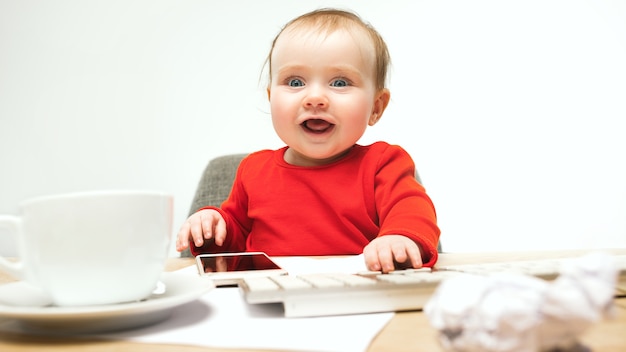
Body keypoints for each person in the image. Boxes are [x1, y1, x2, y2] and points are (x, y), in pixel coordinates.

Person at [176, 8, 440, 273]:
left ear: (376, 107)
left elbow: (412, 210)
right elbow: (232, 246)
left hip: (357, 292)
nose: (314, 98)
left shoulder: (383, 163)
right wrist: (212, 226)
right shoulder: (253, 170)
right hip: (271, 297)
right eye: (294, 81)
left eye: (339, 82)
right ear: (271, 98)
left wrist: (400, 238)